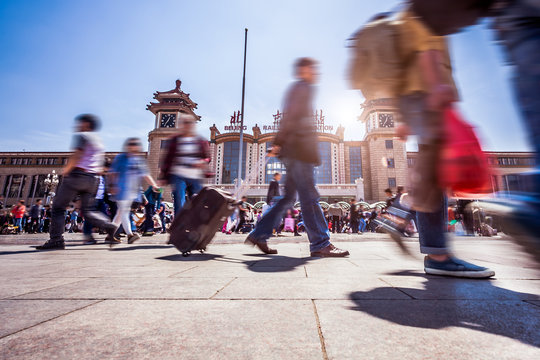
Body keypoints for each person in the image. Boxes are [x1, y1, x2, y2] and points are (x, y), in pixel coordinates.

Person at [390, 6, 495, 277]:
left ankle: (400, 217)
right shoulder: (423, 8)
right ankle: (434, 250)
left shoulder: (405, 14)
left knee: (431, 167)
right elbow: (426, 46)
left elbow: (401, 64)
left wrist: (403, 114)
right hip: (426, 92)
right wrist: (437, 84)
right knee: (434, 171)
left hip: (416, 94)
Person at [245, 58, 349, 257]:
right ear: (304, 70)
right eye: (313, 68)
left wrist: (280, 143)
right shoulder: (302, 88)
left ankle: (259, 234)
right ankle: (320, 243)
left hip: (295, 151)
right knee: (310, 197)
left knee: (288, 199)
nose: (316, 72)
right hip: (299, 151)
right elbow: (290, 117)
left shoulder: (302, 89)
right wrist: (278, 141)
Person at [37, 114, 117, 250]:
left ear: (86, 124)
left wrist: (66, 170)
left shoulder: (83, 136)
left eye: (80, 122)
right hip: (93, 179)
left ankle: (56, 239)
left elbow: (77, 155)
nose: (78, 125)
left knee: (58, 207)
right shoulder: (99, 142)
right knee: (88, 211)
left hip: (78, 175)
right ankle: (109, 225)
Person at [109, 138, 160, 244]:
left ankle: (110, 234)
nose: (133, 146)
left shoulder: (138, 160)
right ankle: (130, 235)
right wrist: (113, 185)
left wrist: (154, 185)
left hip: (132, 193)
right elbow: (113, 173)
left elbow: (146, 175)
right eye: (131, 144)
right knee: (124, 212)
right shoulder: (120, 158)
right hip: (121, 190)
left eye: (135, 144)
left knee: (119, 214)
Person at [159, 113, 210, 215]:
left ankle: (195, 226)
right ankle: (178, 226)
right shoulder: (175, 140)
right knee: (179, 199)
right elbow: (167, 159)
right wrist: (163, 177)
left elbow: (207, 157)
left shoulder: (200, 141)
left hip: (195, 175)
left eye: (190, 123)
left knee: (198, 200)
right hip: (178, 174)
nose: (187, 125)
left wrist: (203, 161)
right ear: (181, 124)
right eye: (185, 123)